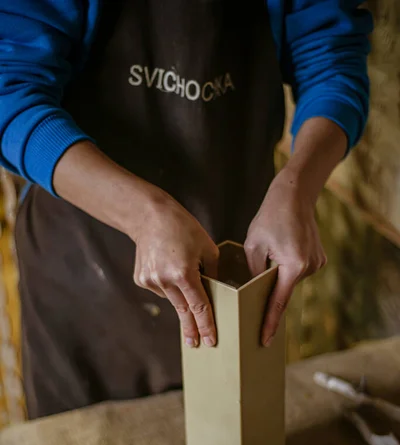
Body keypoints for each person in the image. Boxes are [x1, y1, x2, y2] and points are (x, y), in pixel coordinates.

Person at [0, 0, 372, 418]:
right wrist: (143, 215)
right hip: (81, 273)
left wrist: (298, 189)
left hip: (232, 258)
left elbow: (332, 64)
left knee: (227, 442)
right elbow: (9, 97)